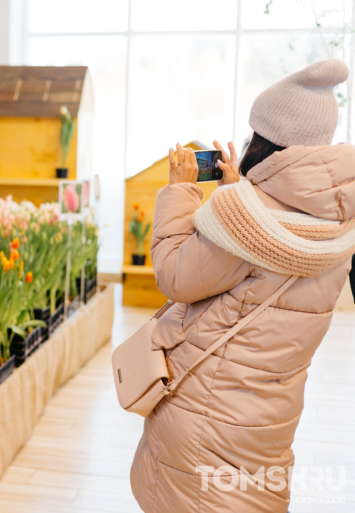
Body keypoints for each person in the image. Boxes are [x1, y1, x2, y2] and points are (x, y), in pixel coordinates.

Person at [130, 59, 355, 513]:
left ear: (266, 142)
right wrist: (239, 193)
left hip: (209, 412)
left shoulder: (245, 217)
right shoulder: (340, 218)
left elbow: (174, 275)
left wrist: (180, 192)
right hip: (271, 413)